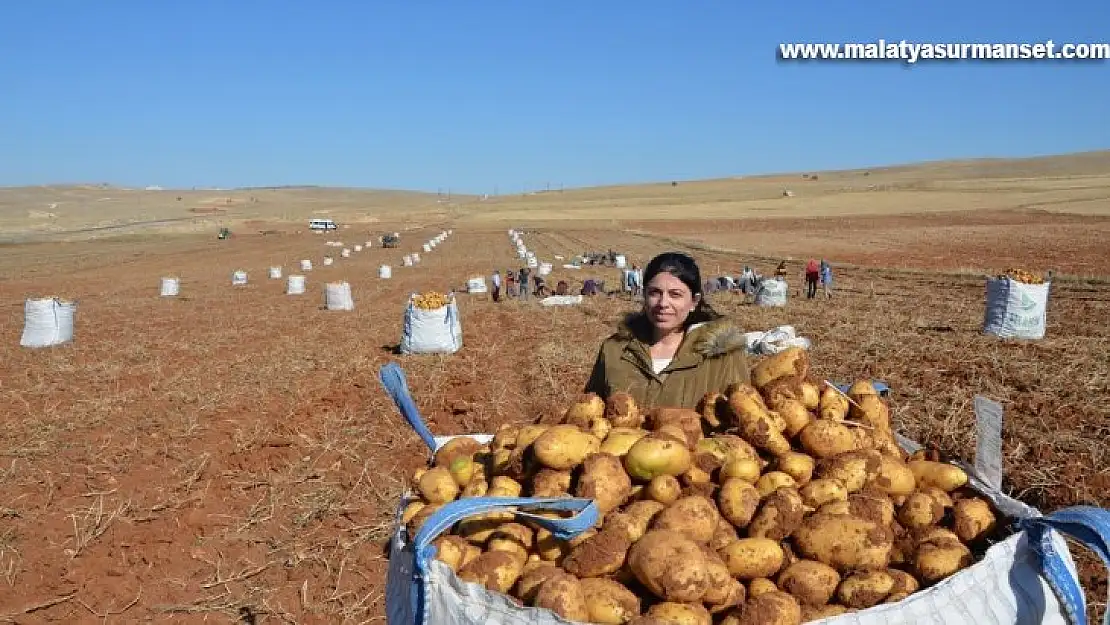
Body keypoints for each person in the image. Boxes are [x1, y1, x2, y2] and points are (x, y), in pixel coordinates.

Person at [583, 252, 751, 409]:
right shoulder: (615, 350)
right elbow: (590, 411)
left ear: (694, 301)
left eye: (675, 294)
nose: (663, 303)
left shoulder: (724, 357)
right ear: (644, 295)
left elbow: (742, 420)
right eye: (655, 293)